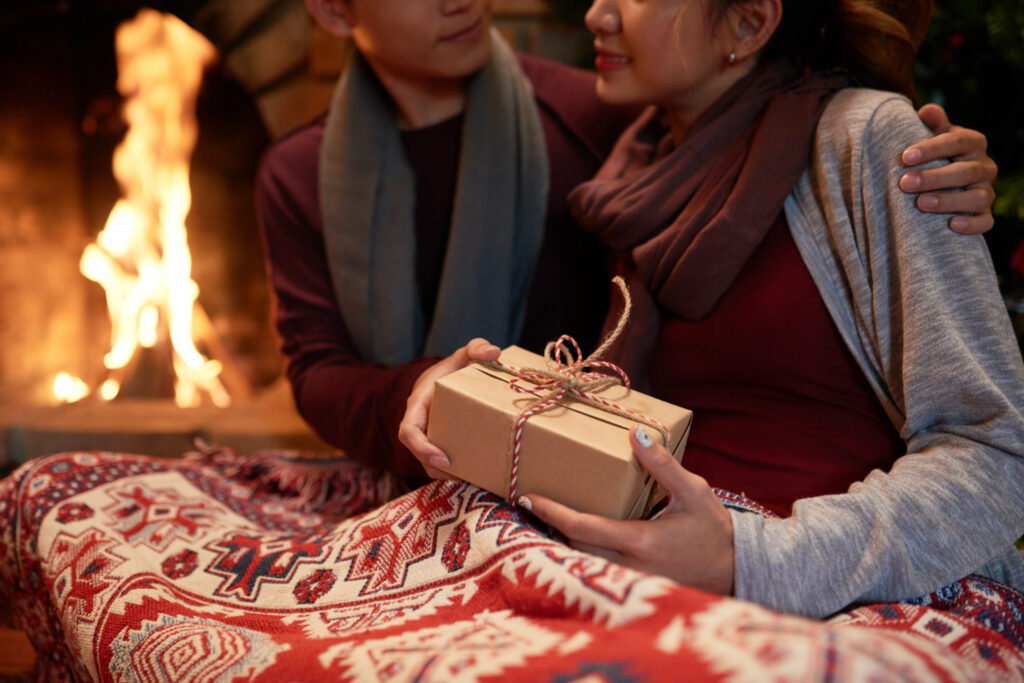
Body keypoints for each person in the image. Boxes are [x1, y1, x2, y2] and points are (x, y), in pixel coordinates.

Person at [258, 0, 999, 489]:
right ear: (330, 8)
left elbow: (764, 119)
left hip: (681, 514)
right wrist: (437, 391)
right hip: (559, 487)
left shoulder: (612, 119)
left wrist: (942, 169)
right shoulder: (640, 148)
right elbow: (318, 368)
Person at [483, 0, 1024, 619]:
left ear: (748, 22)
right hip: (650, 555)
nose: (597, 14)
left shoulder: (871, 141)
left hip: (843, 592)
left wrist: (748, 559)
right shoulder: (639, 162)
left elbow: (996, 449)